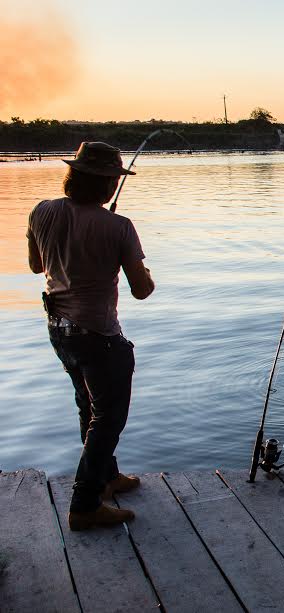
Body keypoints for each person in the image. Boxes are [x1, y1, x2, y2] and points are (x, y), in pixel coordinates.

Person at [27, 142, 155, 531]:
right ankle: (84, 504)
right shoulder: (118, 226)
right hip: (100, 336)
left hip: (59, 331)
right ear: (109, 185)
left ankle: (106, 479)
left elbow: (37, 266)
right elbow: (141, 290)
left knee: (89, 407)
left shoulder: (41, 211)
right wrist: (133, 264)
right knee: (109, 417)